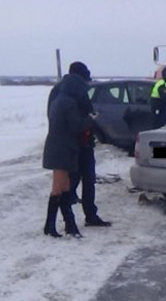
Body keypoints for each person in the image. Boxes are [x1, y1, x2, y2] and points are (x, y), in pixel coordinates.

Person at [48, 62, 112, 228]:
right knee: (71, 182)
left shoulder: (67, 90)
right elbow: (60, 118)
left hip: (83, 142)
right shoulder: (64, 92)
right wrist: (90, 122)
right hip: (72, 145)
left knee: (88, 180)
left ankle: (89, 215)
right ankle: (69, 219)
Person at [43, 69, 94, 238]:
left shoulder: (58, 100)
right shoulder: (69, 103)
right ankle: (51, 226)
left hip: (59, 147)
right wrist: (91, 119)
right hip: (62, 149)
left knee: (64, 187)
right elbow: (76, 126)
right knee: (59, 188)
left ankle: (69, 225)